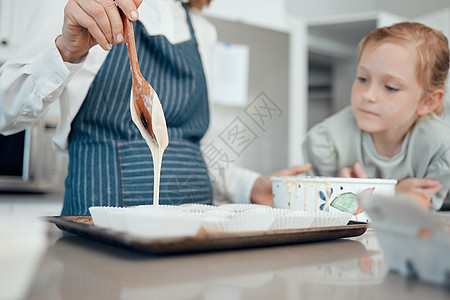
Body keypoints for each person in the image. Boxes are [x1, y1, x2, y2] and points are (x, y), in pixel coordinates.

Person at [0, 0, 310, 215]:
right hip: (101, 236)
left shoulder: (203, 31)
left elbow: (190, 149)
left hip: (192, 242)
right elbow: (5, 112)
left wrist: (250, 186)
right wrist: (66, 50)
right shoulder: (82, 6)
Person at [302, 22, 450, 211]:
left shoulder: (441, 147)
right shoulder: (328, 139)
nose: (368, 95)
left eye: (390, 87)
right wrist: (391, 193)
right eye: (362, 79)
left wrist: (368, 194)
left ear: (427, 102)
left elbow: (420, 208)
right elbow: (307, 202)